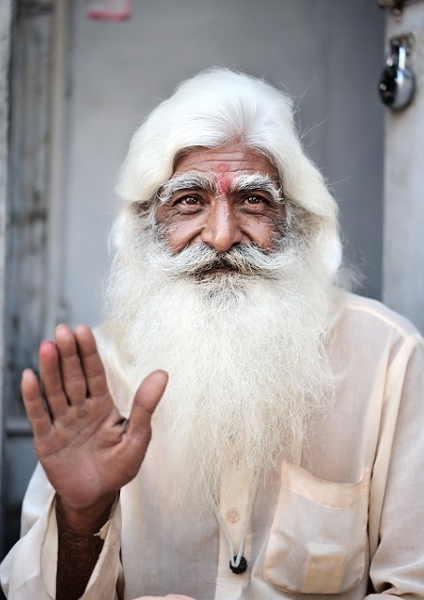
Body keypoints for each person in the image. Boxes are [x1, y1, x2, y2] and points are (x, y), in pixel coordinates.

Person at [1, 68, 424, 600]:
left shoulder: (388, 359)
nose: (222, 237)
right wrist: (82, 518)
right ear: (147, 225)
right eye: (189, 201)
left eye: (252, 201)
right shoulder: (103, 374)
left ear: (296, 221)